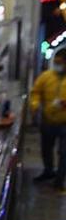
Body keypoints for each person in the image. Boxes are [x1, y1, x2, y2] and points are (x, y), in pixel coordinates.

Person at [30, 48, 66, 189]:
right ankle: (48, 171)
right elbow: (35, 93)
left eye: (61, 62)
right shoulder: (45, 77)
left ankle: (60, 179)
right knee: (46, 149)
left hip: (65, 123)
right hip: (48, 120)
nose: (58, 65)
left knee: (64, 152)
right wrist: (35, 105)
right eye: (56, 62)